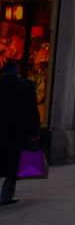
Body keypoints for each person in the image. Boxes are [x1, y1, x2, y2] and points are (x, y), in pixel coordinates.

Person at [0, 61, 40, 205]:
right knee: (14, 164)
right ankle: (6, 195)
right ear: (17, 72)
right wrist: (34, 132)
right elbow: (33, 111)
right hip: (18, 131)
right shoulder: (28, 86)